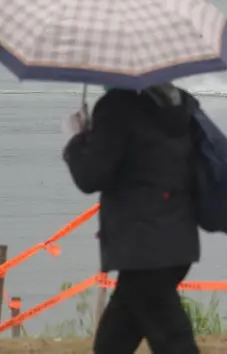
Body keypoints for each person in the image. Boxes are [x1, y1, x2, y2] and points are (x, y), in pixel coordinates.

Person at [62, 83, 201, 354]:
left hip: (141, 248)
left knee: (173, 341)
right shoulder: (181, 104)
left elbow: (91, 177)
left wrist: (76, 141)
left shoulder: (116, 107)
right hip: (179, 240)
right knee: (111, 344)